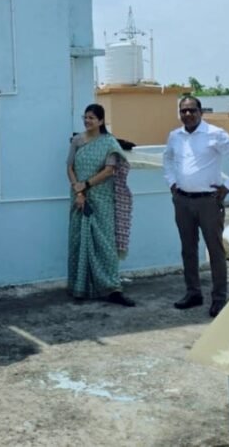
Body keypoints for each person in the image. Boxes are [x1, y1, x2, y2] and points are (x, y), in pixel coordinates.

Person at [162, 96, 229, 317]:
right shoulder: (175, 136)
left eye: (192, 110)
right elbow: (167, 159)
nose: (188, 114)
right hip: (182, 200)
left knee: (215, 250)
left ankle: (219, 298)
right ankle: (193, 293)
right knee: (188, 249)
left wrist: (228, 186)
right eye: (183, 111)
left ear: (201, 112)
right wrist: (172, 182)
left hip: (209, 201)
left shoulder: (214, 134)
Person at [66, 104, 135, 306]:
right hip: (78, 198)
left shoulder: (109, 142)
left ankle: (112, 288)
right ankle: (80, 287)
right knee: (79, 240)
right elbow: (69, 167)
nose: (87, 121)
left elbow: (109, 170)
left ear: (101, 121)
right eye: (85, 117)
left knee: (105, 244)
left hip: (101, 198)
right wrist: (79, 191)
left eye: (92, 118)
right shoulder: (77, 141)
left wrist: (86, 185)